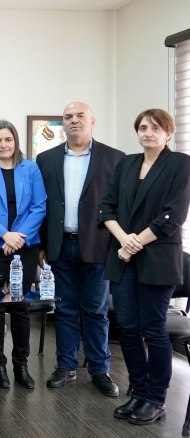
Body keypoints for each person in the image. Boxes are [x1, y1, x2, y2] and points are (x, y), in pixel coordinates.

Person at [99, 109, 190, 425]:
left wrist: (134, 243)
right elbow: (106, 208)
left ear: (168, 134)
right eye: (142, 128)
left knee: (153, 328)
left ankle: (155, 398)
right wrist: (124, 240)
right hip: (123, 255)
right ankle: (138, 391)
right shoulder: (127, 163)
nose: (148, 132)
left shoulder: (180, 163)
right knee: (126, 327)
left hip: (158, 258)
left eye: (155, 128)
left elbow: (173, 215)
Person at [36, 102, 124, 396]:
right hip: (59, 245)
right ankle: (66, 365)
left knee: (96, 311)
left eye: (80, 116)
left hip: (99, 246)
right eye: (68, 117)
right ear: (62, 123)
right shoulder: (46, 159)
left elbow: (120, 207)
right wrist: (41, 244)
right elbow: (41, 206)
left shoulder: (115, 158)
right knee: (64, 309)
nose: (74, 120)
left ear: (92, 121)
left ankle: (99, 369)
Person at [0, 119, 46, 389]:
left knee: (20, 306)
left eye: (8, 139)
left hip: (24, 247)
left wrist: (17, 238)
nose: (3, 145)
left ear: (16, 141)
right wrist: (4, 235)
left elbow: (39, 206)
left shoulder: (31, 168)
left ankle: (21, 366)